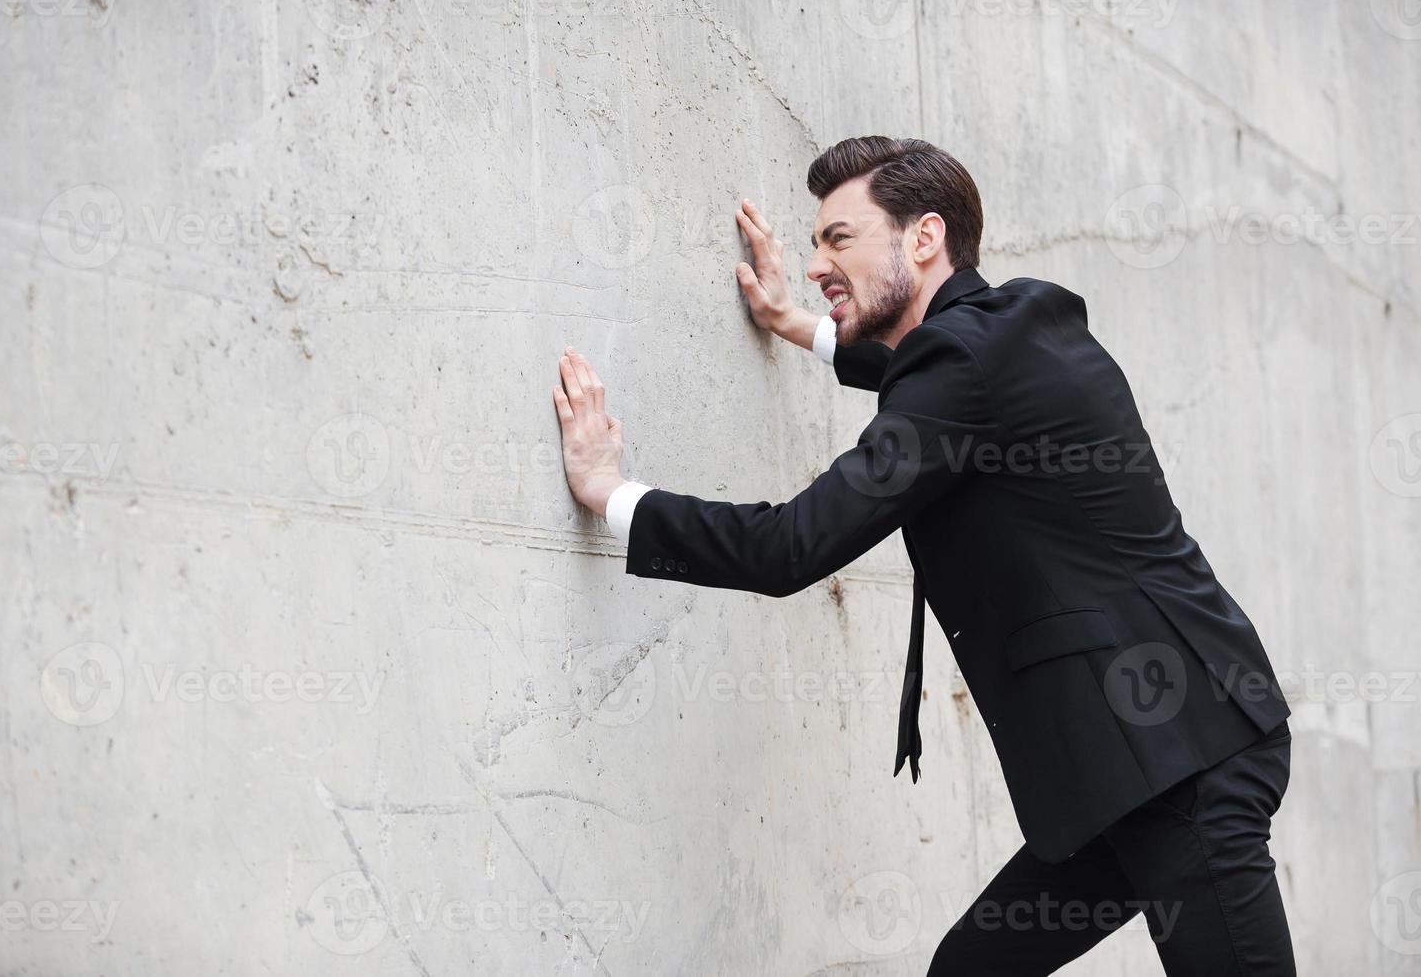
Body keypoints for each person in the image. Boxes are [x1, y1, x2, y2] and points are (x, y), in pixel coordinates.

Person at [550, 136, 1294, 975]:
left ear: (923, 238)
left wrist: (611, 493)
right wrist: (803, 322)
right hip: (1144, 756)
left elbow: (792, 546)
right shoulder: (1014, 328)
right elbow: (937, 384)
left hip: (1180, 765)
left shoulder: (967, 361)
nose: (818, 259)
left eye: (839, 238)